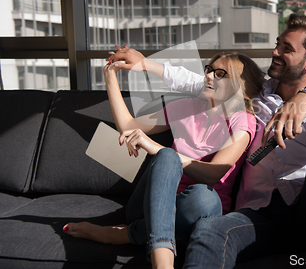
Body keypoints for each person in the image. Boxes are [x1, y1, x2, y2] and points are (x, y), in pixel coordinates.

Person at [107, 14, 306, 268]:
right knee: (210, 229)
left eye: (287, 48)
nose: (275, 52)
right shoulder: (256, 95)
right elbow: (201, 83)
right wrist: (145, 64)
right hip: (258, 213)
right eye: (277, 44)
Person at [63, 51, 265, 269]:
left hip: (195, 212)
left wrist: (155, 147)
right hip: (149, 205)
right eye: (209, 70)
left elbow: (215, 172)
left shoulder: (243, 120)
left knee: (205, 197)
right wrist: (110, 77)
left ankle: (125, 234)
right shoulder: (185, 107)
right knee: (168, 156)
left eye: (220, 74)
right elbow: (128, 126)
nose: (208, 76)